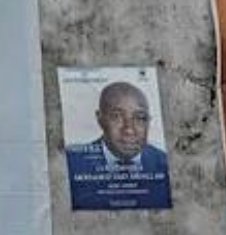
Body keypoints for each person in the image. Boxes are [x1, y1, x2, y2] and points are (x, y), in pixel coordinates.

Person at [64, 81, 171, 209]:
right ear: (100, 119)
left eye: (140, 118)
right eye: (117, 116)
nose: (129, 130)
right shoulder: (70, 164)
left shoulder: (165, 165)